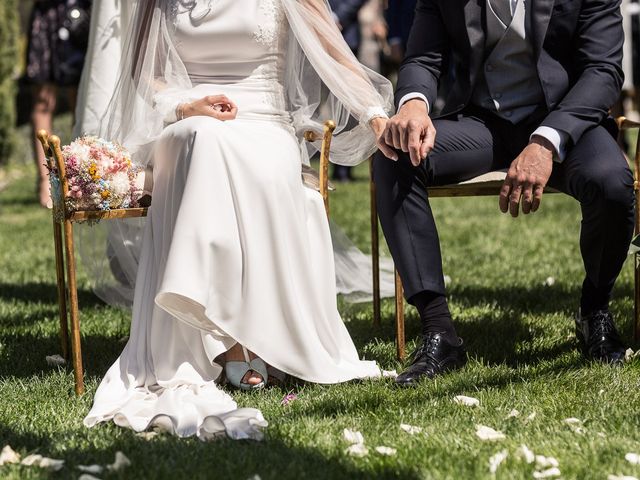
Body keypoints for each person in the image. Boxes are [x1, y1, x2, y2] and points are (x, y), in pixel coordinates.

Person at [82, 0, 393, 440]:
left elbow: (334, 54)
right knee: (200, 138)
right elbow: (143, 69)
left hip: (264, 122)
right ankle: (223, 338)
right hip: (188, 121)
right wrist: (185, 105)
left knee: (215, 144)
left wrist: (375, 116)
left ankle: (231, 330)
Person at [374, 0, 633, 387]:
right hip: (483, 123)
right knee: (395, 156)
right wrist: (412, 103)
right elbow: (423, 57)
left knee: (611, 180)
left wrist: (547, 141)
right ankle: (439, 331)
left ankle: (594, 308)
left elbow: (603, 70)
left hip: (565, 122)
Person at [25, 0, 92, 207]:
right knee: (43, 100)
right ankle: (46, 181)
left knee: (80, 99)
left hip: (81, 12)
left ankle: (81, 179)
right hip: (48, 13)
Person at [328, 0, 370, 182]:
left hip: (345, 34)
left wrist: (335, 17)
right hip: (307, 33)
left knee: (346, 107)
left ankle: (343, 168)